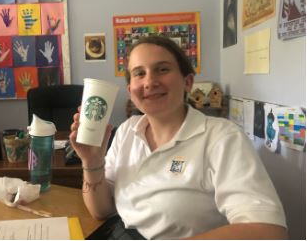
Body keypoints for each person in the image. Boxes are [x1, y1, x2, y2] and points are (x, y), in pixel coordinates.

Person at [69, 36, 288, 239]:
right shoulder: (127, 131)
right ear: (130, 90)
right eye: (139, 73)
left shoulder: (221, 137)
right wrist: (92, 161)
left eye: (162, 69)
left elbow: (269, 231)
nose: (149, 82)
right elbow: (101, 211)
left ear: (188, 82)